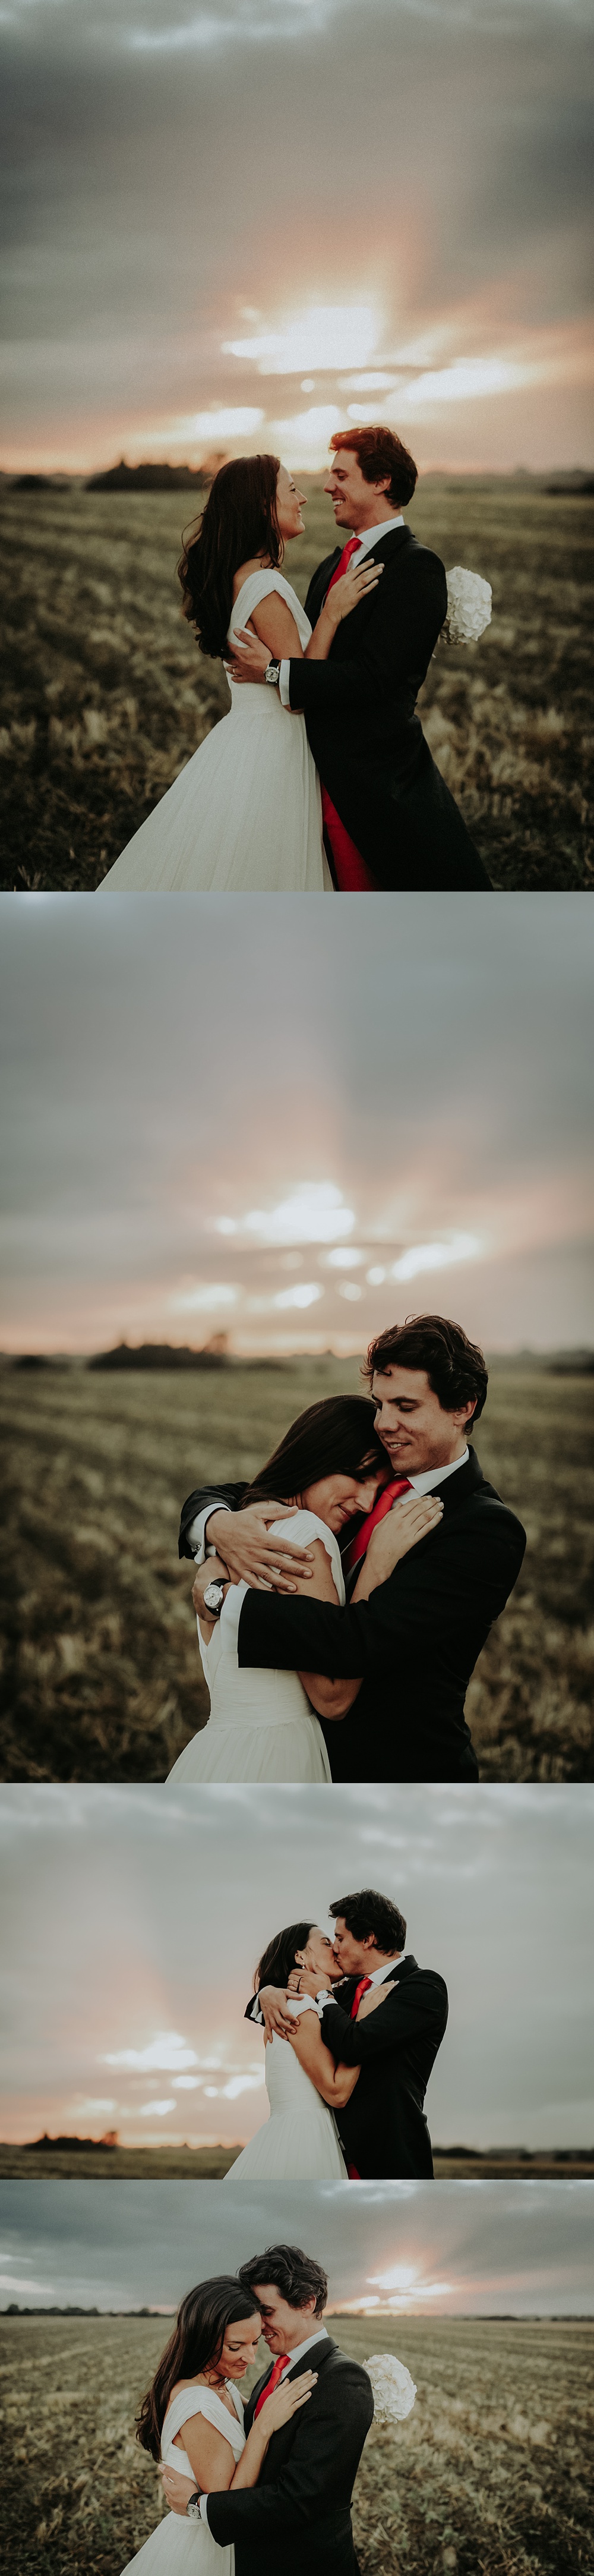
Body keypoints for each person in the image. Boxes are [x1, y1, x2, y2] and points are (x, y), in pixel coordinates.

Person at [186, 1315, 527, 1783]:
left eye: (405, 1406)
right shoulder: (370, 1481)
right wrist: (218, 1525)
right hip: (304, 1764)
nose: (385, 1424)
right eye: (379, 1404)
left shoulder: (484, 1530)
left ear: (462, 1408)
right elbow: (258, 1488)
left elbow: (355, 1641)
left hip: (399, 1777)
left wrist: (223, 1597)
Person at [226, 424, 493, 890]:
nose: (327, 487)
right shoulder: (333, 565)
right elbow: (312, 659)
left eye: (341, 476)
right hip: (317, 777)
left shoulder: (416, 565)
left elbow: (377, 679)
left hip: (380, 787)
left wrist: (272, 671)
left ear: (381, 481)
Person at [96, 456, 380, 893]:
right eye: (291, 490)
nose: (304, 497)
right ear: (263, 506)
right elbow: (300, 691)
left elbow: (287, 672)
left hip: (248, 735)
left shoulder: (242, 577)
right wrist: (332, 613)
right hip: (276, 744)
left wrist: (274, 669)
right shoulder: (264, 585)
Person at [170, 1394, 440, 1784]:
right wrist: (377, 1565)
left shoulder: (244, 1525)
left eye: (376, 1490)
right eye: (360, 1476)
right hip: (275, 1759)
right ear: (318, 1456)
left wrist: (213, 1533)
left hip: (215, 1755)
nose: (367, 1503)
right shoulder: (304, 1535)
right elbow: (334, 1698)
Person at [159, 2244, 375, 2576]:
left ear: (306, 2304)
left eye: (267, 2311)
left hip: (303, 2564)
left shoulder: (341, 2379)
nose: (259, 2325)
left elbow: (299, 2498)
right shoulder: (273, 2373)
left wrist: (199, 2506)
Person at [121, 2273, 317, 2572]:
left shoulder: (222, 2386)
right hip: (201, 2551)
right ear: (203, 2341)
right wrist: (263, 2429)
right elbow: (229, 2502)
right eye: (235, 2347)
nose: (250, 2358)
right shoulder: (198, 2403)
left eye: (254, 2342)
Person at [249, 1890, 448, 2180]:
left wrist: (324, 1996)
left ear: (368, 1939)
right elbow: (300, 2013)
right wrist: (266, 1993)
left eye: (340, 1939)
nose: (336, 1949)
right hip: (328, 2152)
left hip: (388, 2157)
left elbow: (355, 2045)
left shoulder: (421, 1987)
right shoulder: (341, 1991)